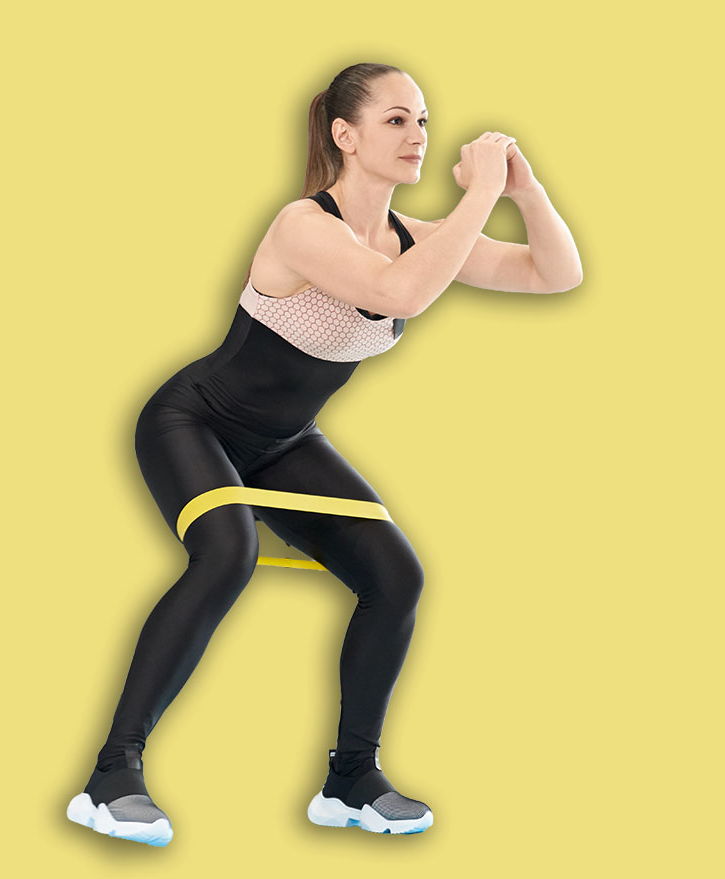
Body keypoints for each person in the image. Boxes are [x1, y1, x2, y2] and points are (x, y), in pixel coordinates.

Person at [66, 62, 583, 846]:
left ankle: (350, 779)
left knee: (396, 574)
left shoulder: (416, 239)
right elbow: (400, 295)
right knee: (226, 551)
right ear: (344, 136)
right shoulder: (304, 226)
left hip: (282, 443)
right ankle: (110, 778)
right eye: (395, 121)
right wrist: (477, 196)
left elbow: (557, 273)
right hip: (192, 421)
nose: (418, 135)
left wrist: (522, 188)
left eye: (422, 119)